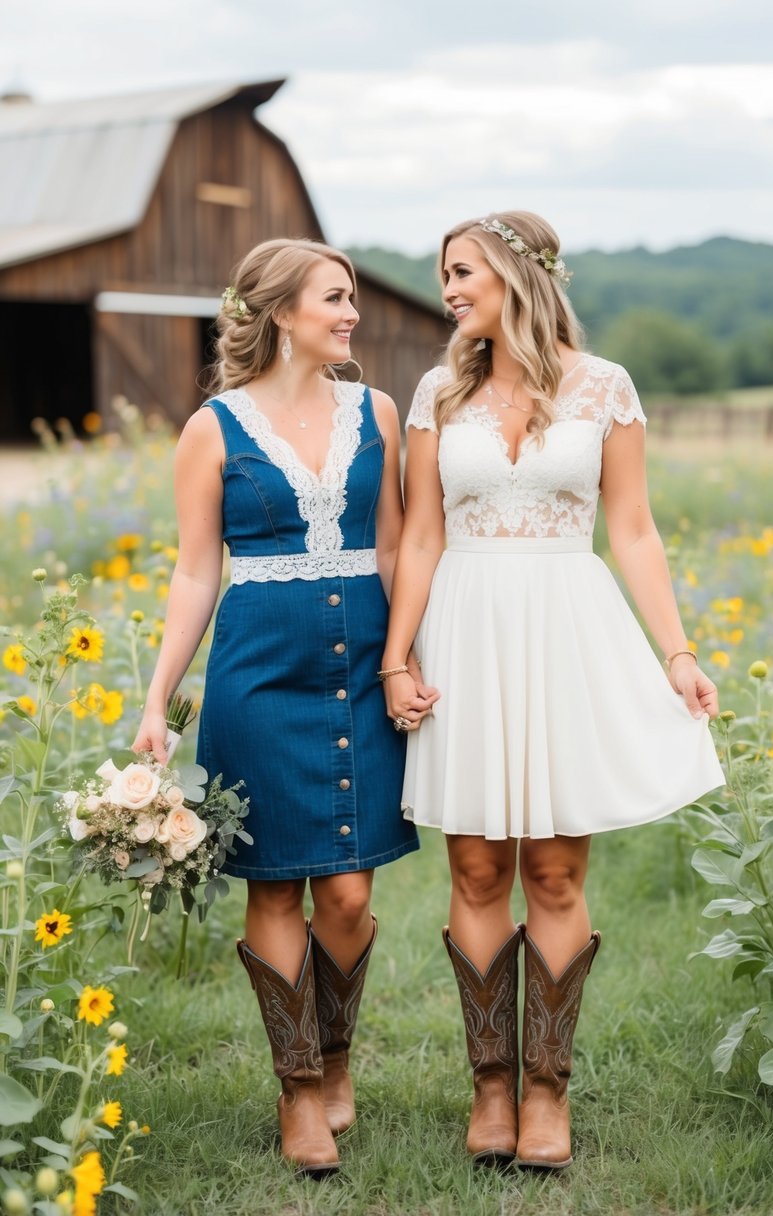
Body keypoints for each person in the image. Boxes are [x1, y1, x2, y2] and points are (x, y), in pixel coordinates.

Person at [381, 211, 725, 1172]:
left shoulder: (603, 386)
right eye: (442, 274)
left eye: (462, 271)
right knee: (479, 869)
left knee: (556, 873)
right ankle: (489, 1086)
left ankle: (547, 1091)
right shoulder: (436, 395)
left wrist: (677, 651)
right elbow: (418, 536)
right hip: (467, 630)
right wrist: (396, 659)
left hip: (567, 628)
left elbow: (636, 530)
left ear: (517, 273)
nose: (448, 289)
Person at [133, 238, 431, 1177]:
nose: (350, 314)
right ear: (279, 312)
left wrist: (400, 660)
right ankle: (298, 1086)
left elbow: (391, 550)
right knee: (274, 882)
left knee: (346, 888)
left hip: (358, 667)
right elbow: (194, 569)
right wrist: (158, 696)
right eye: (333, 299)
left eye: (348, 298)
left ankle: (335, 1055)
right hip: (256, 671)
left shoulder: (376, 411)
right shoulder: (211, 428)